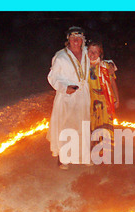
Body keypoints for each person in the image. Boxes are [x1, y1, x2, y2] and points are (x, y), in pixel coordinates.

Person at [46, 26, 91, 170]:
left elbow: (98, 61)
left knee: (83, 125)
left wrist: (109, 65)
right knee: (66, 126)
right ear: (68, 40)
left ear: (83, 40)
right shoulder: (61, 56)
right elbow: (52, 77)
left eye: (79, 38)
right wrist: (65, 88)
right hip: (67, 97)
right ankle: (64, 158)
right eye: (73, 38)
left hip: (83, 95)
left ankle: (83, 155)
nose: (76, 41)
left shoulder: (86, 53)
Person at [87, 41, 119, 161]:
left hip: (105, 100)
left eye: (96, 52)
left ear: (100, 54)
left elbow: (112, 82)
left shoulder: (105, 66)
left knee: (106, 126)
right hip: (91, 101)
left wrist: (117, 99)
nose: (93, 54)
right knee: (94, 126)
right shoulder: (84, 66)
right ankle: (96, 151)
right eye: (91, 51)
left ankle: (106, 153)